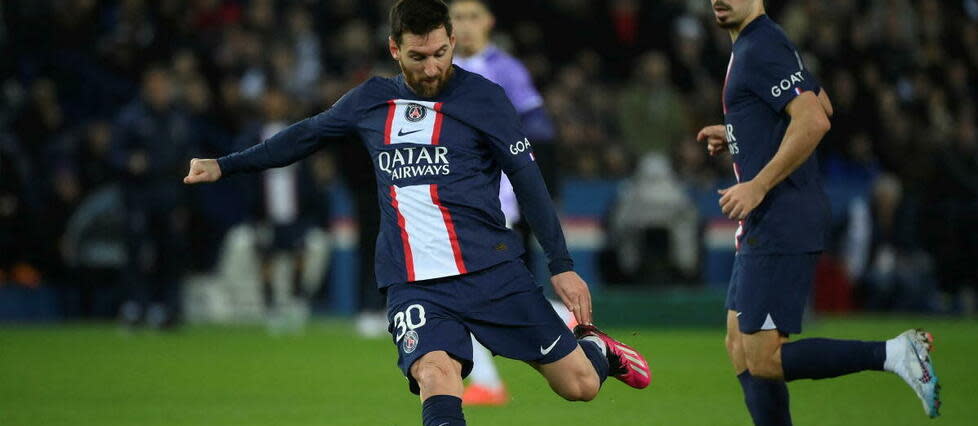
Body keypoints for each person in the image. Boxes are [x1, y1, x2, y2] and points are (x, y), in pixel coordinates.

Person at [184, 1, 650, 425]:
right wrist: (223, 166)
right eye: (418, 57)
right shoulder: (370, 100)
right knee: (435, 373)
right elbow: (306, 135)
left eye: (441, 53)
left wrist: (562, 266)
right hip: (413, 282)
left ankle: (596, 351)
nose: (432, 68)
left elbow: (529, 183)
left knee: (579, 387)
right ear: (394, 49)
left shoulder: (484, 99)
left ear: (451, 41)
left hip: (490, 270)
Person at [697, 1, 940, 424]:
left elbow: (813, 121)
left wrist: (757, 184)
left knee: (765, 359)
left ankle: (895, 353)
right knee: (740, 345)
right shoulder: (763, 40)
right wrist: (740, 134)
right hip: (770, 218)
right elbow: (822, 102)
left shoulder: (760, 47)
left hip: (780, 216)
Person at [449, 0, 573, 406]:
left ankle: (491, 378)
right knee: (473, 289)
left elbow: (539, 125)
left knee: (459, 288)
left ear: (488, 23)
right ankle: (565, 319)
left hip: (495, 197)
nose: (465, 27)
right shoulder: (442, 69)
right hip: (453, 195)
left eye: (472, 18)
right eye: (457, 19)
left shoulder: (505, 69)